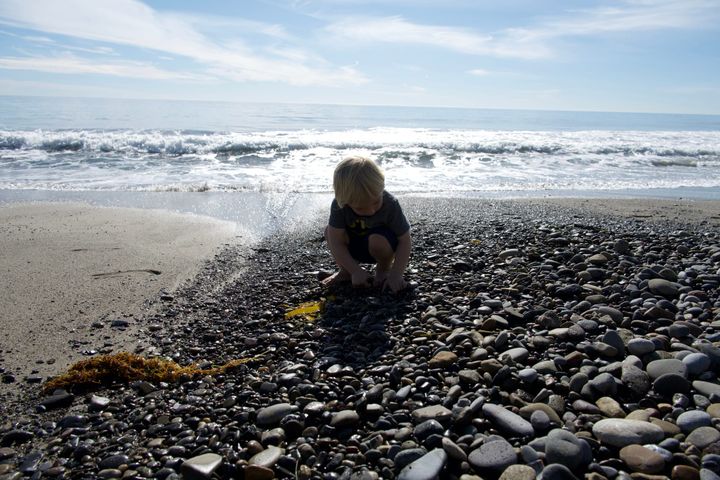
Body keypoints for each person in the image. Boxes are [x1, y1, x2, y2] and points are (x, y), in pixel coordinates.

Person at [323, 156, 411, 293]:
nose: (370, 211)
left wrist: (396, 275)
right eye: (360, 208)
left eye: (376, 202)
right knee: (330, 231)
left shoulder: (390, 204)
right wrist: (355, 270)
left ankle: (383, 270)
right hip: (354, 247)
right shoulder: (339, 205)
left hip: (382, 247)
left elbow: (405, 240)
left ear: (382, 187)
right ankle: (346, 271)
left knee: (377, 239)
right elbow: (336, 241)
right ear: (345, 201)